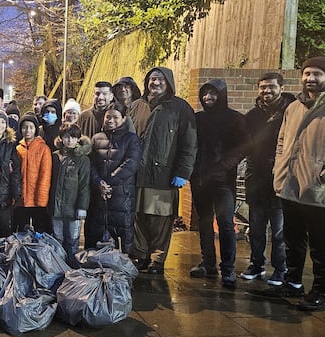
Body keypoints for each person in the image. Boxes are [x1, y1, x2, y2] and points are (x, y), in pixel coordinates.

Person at [265, 57, 325, 311]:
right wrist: (278, 168)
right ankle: (293, 283)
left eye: (316, 74)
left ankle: (319, 292)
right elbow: (282, 141)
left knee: (320, 244)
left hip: (319, 190)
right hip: (291, 187)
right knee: (292, 240)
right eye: (306, 74)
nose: (310, 78)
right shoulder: (294, 107)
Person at [133, 67, 197, 274]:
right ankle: (140, 255)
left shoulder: (180, 108)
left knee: (160, 219)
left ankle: (157, 259)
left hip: (163, 175)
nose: (156, 83)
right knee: (139, 217)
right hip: (137, 175)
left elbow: (189, 142)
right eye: (152, 79)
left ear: (168, 82)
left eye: (160, 79)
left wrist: (183, 172)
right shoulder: (137, 106)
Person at [188, 79, 247, 288]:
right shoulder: (198, 119)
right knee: (204, 222)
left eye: (212, 94)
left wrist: (224, 166)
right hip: (200, 178)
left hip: (222, 181)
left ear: (221, 95)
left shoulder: (235, 119)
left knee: (225, 225)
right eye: (205, 94)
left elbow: (242, 147)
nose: (208, 98)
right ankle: (208, 263)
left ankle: (228, 269)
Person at [240, 73, 295, 285]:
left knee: (280, 231)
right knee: (256, 228)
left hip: (280, 179)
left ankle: (280, 269)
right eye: (263, 87)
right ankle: (256, 264)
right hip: (257, 180)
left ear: (281, 87)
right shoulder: (252, 116)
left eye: (271, 87)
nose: (267, 91)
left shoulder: (290, 112)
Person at [87, 104, 142, 253]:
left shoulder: (132, 139)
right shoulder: (96, 139)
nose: (111, 120)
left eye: (115, 117)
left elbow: (131, 163)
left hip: (122, 196)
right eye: (108, 117)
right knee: (97, 233)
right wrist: (98, 182)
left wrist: (109, 183)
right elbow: (90, 164)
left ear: (124, 119)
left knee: (122, 234)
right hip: (98, 195)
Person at [49, 124, 90, 259]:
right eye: (66, 137)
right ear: (61, 138)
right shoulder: (55, 156)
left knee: (72, 240)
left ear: (78, 139)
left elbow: (84, 185)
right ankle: (58, 266)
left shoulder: (83, 159)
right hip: (56, 207)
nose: (70, 140)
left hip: (72, 208)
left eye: (73, 137)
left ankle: (72, 268)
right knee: (57, 238)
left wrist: (82, 207)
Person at [15, 112, 52, 233]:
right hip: (22, 199)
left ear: (36, 129)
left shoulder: (43, 149)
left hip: (37, 199)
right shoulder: (18, 148)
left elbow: (45, 175)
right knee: (21, 230)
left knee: (39, 231)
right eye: (24, 127)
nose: (27, 130)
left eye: (31, 127)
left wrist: (41, 198)